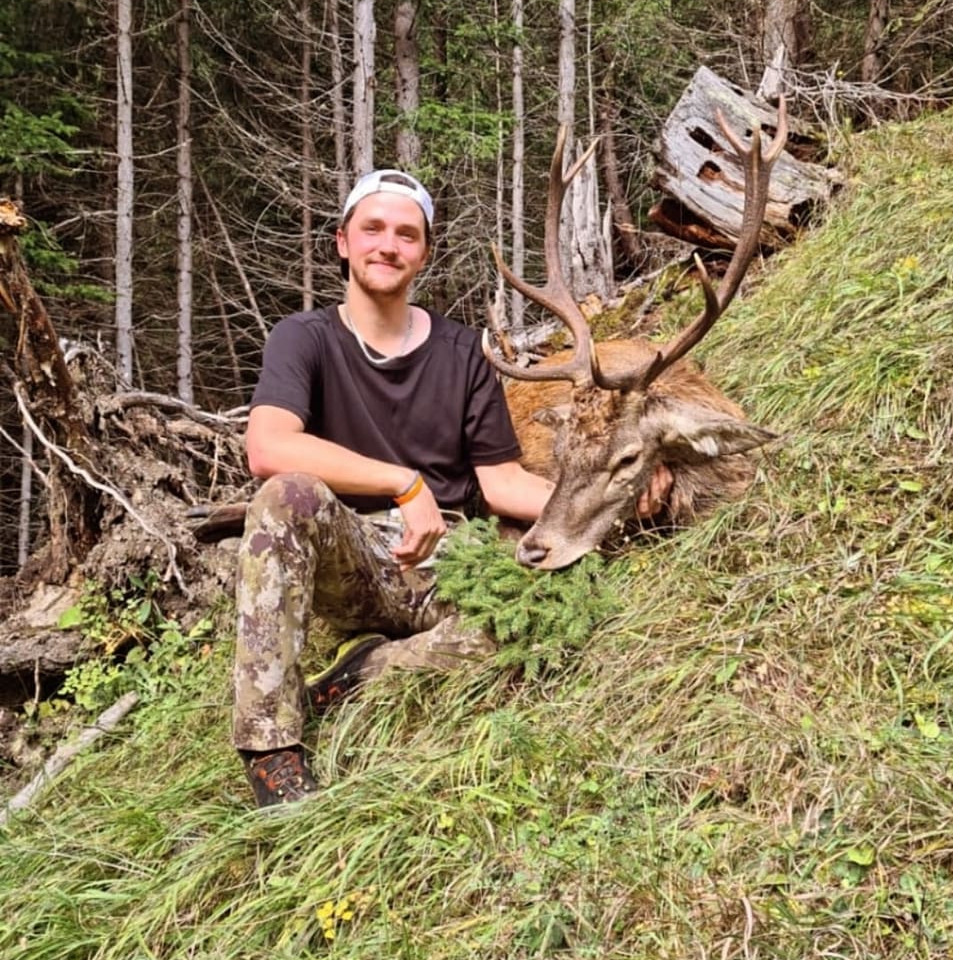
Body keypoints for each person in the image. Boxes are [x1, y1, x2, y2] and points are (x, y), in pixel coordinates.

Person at [233, 166, 673, 808]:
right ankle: (272, 747)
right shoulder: (305, 338)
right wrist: (402, 484)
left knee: (533, 617)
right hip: (351, 555)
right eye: (373, 229)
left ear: (425, 253)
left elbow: (500, 483)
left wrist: (621, 499)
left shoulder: (463, 352)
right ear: (342, 242)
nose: (388, 245)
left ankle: (367, 671)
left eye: (406, 235)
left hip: (450, 563)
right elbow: (267, 446)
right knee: (287, 494)